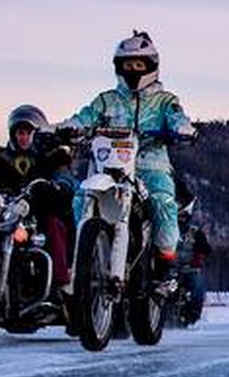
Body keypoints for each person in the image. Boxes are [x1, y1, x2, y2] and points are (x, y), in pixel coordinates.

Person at [63, 30, 194, 269]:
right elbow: (84, 117)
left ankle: (165, 266)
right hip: (108, 168)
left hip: (151, 167)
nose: (133, 69)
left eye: (138, 64)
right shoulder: (106, 100)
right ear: (118, 67)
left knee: (163, 203)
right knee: (81, 197)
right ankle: (79, 260)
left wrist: (182, 128)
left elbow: (177, 117)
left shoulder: (165, 101)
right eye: (128, 64)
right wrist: (69, 128)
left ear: (151, 65)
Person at [0, 105, 77, 289]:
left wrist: (58, 187)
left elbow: (66, 180)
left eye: (28, 132)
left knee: (53, 225)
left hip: (37, 212)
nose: (23, 137)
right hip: (3, 213)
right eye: (20, 133)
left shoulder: (52, 157)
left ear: (37, 133)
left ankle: (61, 282)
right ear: (12, 134)